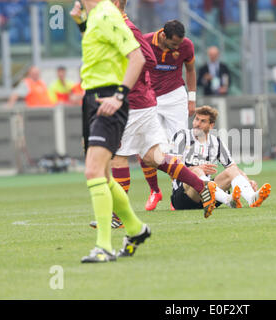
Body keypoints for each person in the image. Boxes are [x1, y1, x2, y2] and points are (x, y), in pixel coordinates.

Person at [75, 0, 218, 230]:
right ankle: (202, 186)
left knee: (118, 157)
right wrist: (81, 23)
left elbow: (146, 60)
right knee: (154, 158)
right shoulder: (114, 23)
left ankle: (118, 216)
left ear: (115, 3)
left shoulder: (127, 27)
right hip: (144, 102)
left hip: (135, 103)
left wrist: (126, 89)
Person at [70, 0, 150, 263]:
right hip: (92, 99)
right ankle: (137, 230)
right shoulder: (93, 15)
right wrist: (81, 24)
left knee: (93, 171)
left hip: (108, 99)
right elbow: (102, 54)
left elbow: (136, 57)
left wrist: (119, 96)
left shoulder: (106, 13)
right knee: (103, 175)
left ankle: (103, 247)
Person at [139, 20, 198, 211]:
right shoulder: (145, 41)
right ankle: (155, 190)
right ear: (163, 36)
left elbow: (190, 70)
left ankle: (177, 194)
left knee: (179, 145)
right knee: (148, 148)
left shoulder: (186, 45)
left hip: (175, 96)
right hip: (150, 98)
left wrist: (192, 98)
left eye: (179, 44)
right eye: (174, 44)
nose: (177, 48)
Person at [170, 106, 272, 211]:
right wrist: (196, 169)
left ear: (211, 125)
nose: (197, 124)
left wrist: (247, 181)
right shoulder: (182, 136)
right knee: (197, 170)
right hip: (183, 197)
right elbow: (173, 170)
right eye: (196, 119)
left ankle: (251, 198)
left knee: (231, 170)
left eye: (203, 121)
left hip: (207, 196)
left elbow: (233, 168)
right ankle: (227, 199)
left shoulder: (216, 142)